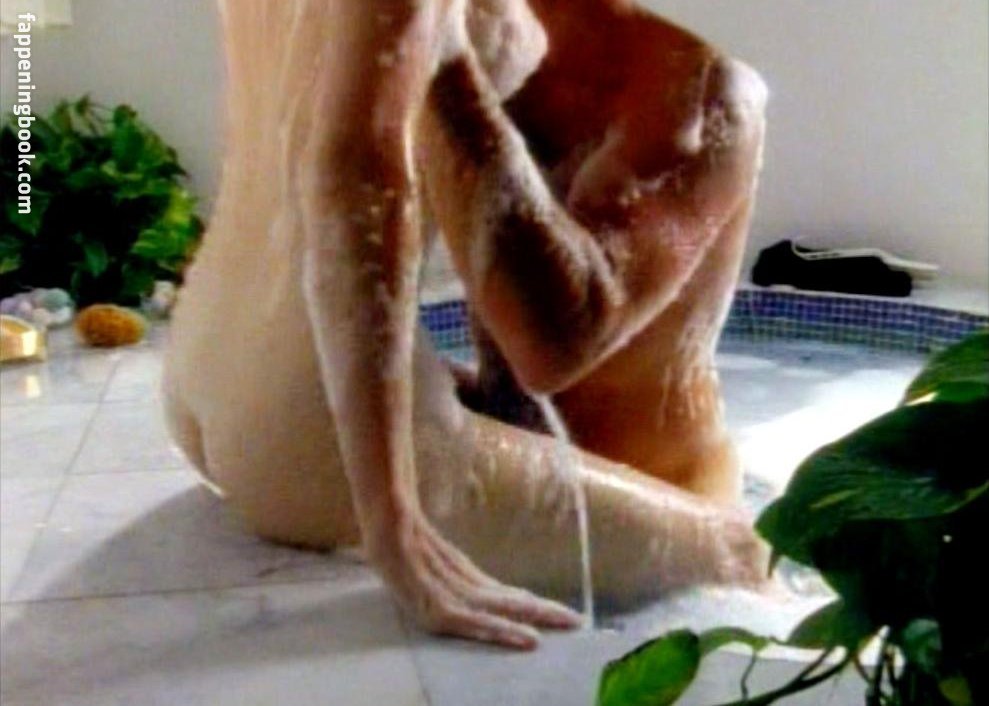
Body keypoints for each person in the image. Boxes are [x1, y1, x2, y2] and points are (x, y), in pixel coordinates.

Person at [163, 0, 767, 651]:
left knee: (748, 551)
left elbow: (563, 340)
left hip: (206, 374)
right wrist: (393, 512)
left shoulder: (698, 90)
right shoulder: (487, 32)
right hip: (393, 445)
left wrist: (450, 70)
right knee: (740, 552)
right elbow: (346, 178)